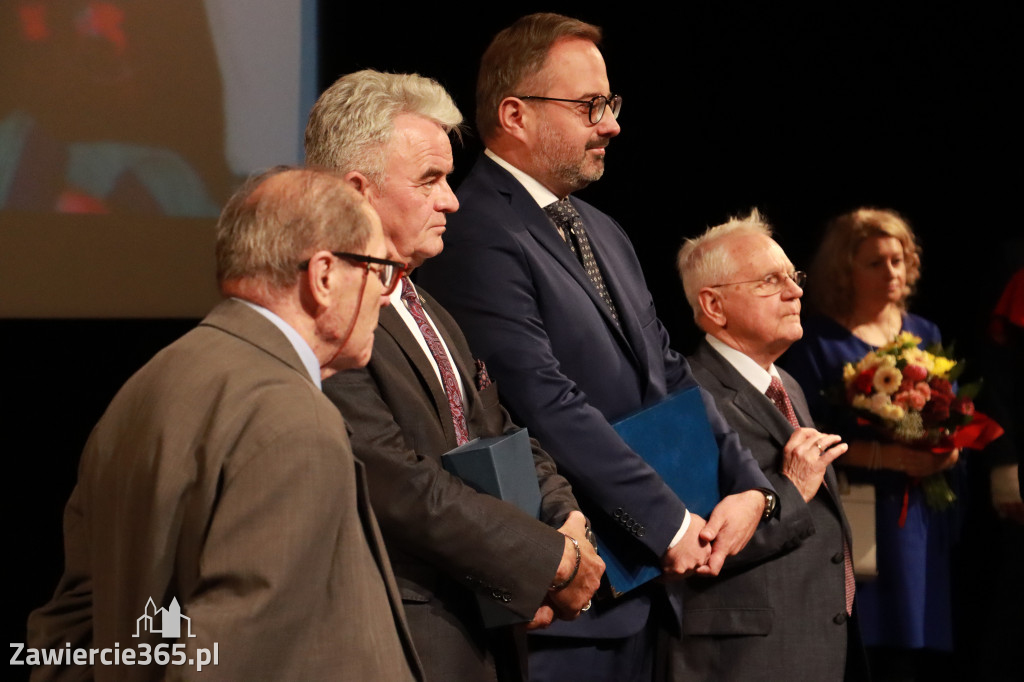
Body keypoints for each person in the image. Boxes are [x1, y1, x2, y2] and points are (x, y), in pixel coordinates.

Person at [416, 13, 772, 681]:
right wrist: (667, 523)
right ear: (515, 114)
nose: (610, 124)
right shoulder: (477, 231)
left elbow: (670, 374)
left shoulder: (602, 229)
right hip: (570, 607)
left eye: (609, 104)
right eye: (589, 106)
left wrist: (749, 488)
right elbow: (541, 399)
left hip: (643, 596)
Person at [25, 167, 422, 680]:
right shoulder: (293, 420)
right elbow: (231, 661)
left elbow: (73, 631)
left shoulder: (142, 389)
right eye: (377, 269)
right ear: (323, 277)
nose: (384, 295)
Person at [304, 69, 603, 682]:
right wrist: (551, 563)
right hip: (407, 643)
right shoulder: (324, 312)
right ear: (358, 190)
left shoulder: (425, 302)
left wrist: (566, 519)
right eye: (430, 181)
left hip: (486, 631)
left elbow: (501, 430)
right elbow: (398, 486)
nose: (453, 200)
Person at [675, 211, 869, 680]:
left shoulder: (790, 387)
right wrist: (788, 487)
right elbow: (692, 549)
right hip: (742, 660)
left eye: (793, 276)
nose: (795, 291)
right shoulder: (685, 393)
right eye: (769, 280)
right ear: (714, 306)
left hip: (814, 646)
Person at [781, 207, 960, 678]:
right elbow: (804, 435)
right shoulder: (818, 341)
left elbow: (952, 416)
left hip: (919, 510)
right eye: (875, 263)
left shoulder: (925, 333)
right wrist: (888, 455)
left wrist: (948, 450)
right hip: (861, 511)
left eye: (898, 260)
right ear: (844, 271)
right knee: (871, 648)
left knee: (919, 648)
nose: (891, 273)